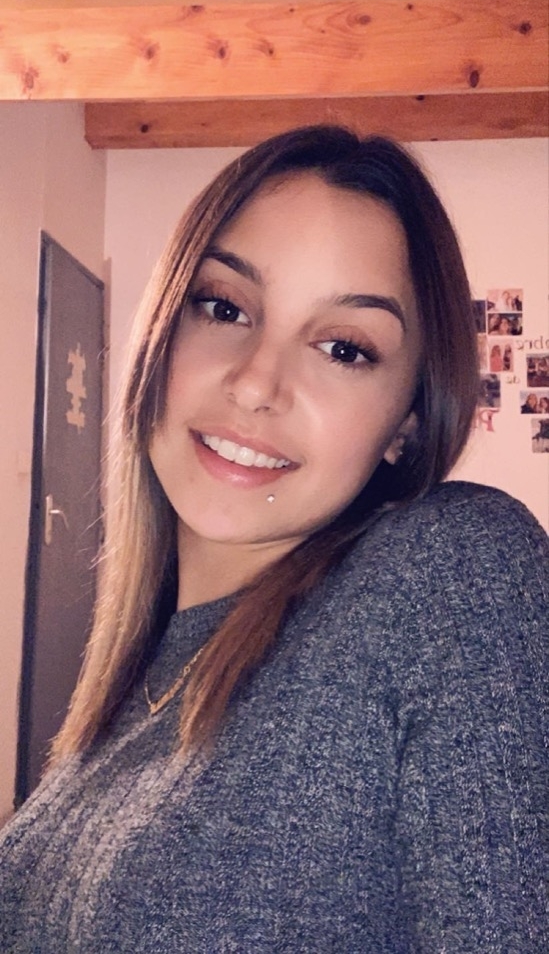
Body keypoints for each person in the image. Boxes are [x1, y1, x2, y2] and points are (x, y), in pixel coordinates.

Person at [1, 126, 547, 953]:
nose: (257, 383)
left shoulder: (449, 572)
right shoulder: (127, 695)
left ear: (405, 421)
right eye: (224, 308)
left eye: (343, 348)